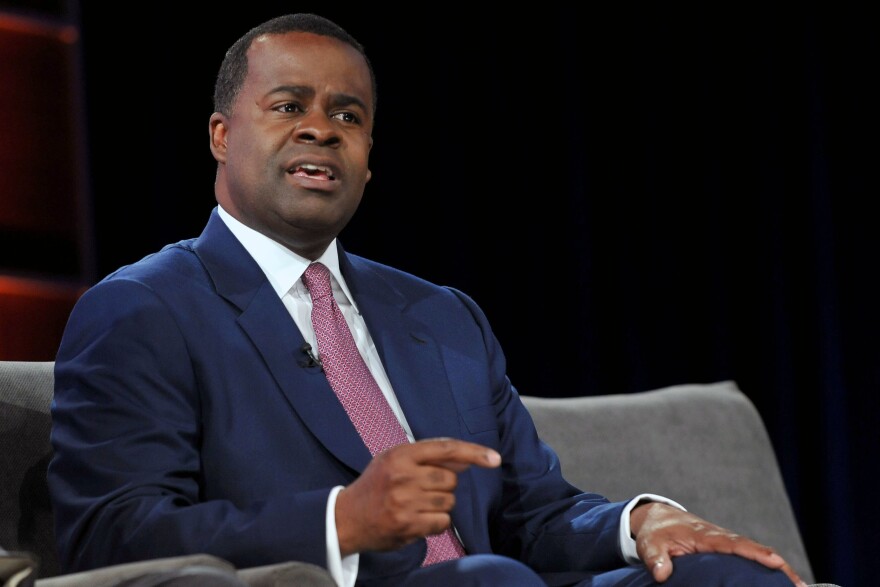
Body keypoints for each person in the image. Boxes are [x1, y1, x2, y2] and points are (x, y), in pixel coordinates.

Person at [47, 13, 807, 587]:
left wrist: (638, 521)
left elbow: (532, 511)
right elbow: (109, 537)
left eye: (349, 116)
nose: (321, 127)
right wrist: (341, 520)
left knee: (726, 573)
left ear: (369, 161)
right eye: (288, 105)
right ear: (220, 134)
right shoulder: (143, 309)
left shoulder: (442, 316)